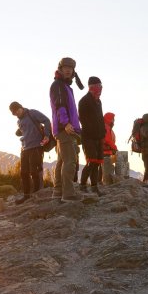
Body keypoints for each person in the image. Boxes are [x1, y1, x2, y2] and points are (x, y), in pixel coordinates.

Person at [49, 57, 84, 202]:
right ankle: (68, 194)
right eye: (65, 67)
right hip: (65, 129)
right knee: (70, 160)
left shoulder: (64, 86)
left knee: (62, 160)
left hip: (64, 128)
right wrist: (66, 123)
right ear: (60, 69)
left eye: (71, 68)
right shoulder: (58, 85)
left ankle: (58, 192)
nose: (68, 70)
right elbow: (60, 105)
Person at [9, 101, 51, 205]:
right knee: (24, 173)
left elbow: (46, 120)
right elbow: (24, 131)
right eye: (14, 113)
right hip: (25, 148)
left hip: (36, 146)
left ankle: (37, 196)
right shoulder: (19, 121)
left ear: (21, 107)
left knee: (35, 172)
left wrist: (46, 135)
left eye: (17, 111)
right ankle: (26, 196)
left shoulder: (32, 113)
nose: (17, 114)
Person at [78, 76, 107, 196]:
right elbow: (83, 120)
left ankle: (95, 187)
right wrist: (93, 132)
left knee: (98, 162)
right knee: (91, 161)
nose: (100, 89)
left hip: (99, 136)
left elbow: (100, 118)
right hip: (88, 136)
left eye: (101, 86)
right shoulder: (84, 100)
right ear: (92, 87)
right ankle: (82, 185)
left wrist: (103, 133)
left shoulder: (98, 101)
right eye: (98, 86)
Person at [101, 112, 118, 185]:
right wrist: (115, 148)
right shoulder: (106, 127)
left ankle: (100, 182)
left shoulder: (108, 127)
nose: (114, 121)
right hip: (106, 152)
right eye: (113, 119)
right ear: (109, 119)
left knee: (102, 168)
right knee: (106, 168)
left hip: (107, 151)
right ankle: (105, 182)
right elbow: (108, 140)